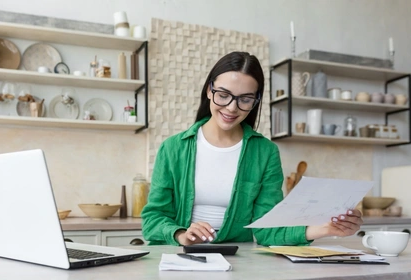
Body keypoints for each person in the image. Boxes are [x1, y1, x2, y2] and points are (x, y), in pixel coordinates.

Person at [141, 51, 363, 246]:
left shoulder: (265, 153)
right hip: (180, 256)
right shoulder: (172, 149)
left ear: (255, 101)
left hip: (237, 259)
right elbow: (154, 219)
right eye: (223, 95)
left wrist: (325, 229)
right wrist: (181, 234)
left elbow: (268, 229)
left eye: (245, 99)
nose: (232, 107)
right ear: (209, 90)